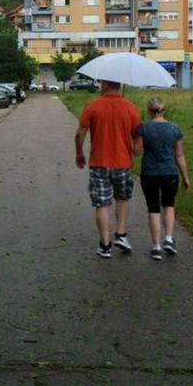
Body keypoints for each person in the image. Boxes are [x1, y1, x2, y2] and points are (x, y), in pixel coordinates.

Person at [75, 79, 141, 258]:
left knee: (102, 203)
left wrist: (79, 153)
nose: (99, 87)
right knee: (122, 198)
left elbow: (80, 133)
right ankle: (121, 234)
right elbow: (138, 135)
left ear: (105, 85)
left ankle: (105, 246)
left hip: (99, 163)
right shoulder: (130, 107)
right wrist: (136, 149)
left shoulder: (92, 106)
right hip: (123, 163)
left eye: (100, 84)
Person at [133, 97, 191, 261]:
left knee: (153, 208)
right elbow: (179, 156)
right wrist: (185, 177)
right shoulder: (175, 129)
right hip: (170, 173)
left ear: (149, 111)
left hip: (149, 173)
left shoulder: (143, 128)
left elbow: (136, 152)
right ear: (164, 110)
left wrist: (133, 138)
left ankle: (156, 247)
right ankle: (169, 239)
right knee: (169, 205)